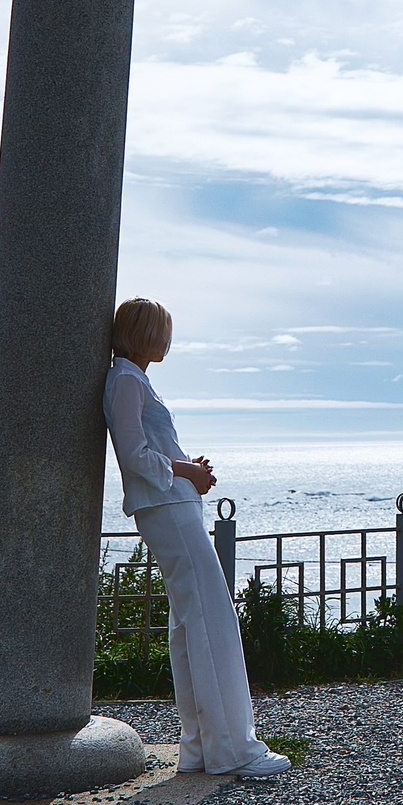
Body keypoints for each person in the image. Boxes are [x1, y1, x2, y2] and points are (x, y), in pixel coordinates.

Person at [103, 296, 291, 777]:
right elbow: (134, 455)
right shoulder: (125, 379)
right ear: (143, 332)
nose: (168, 340)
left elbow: (148, 451)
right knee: (212, 621)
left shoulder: (134, 379)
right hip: (168, 507)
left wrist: (188, 472)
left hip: (172, 505)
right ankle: (234, 750)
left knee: (190, 626)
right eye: (162, 330)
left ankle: (200, 748)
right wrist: (186, 470)